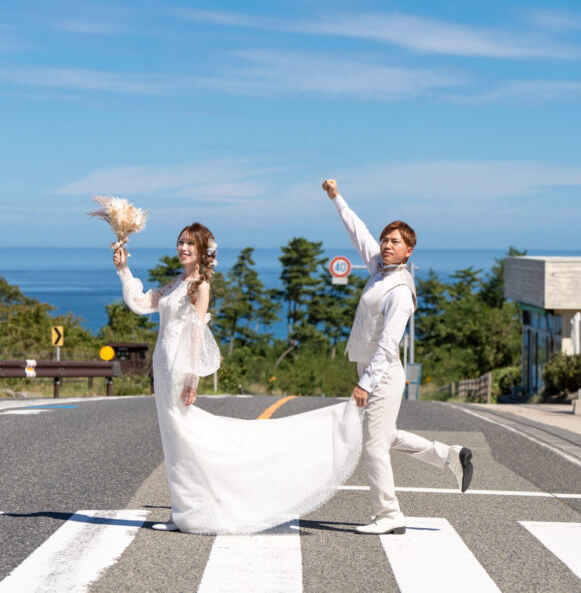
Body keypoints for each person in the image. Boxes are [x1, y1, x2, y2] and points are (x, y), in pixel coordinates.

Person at [114, 222, 362, 534]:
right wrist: (124, 269)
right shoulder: (177, 282)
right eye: (180, 242)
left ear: (202, 251)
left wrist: (192, 380)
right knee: (174, 439)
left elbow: (196, 335)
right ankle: (183, 511)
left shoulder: (200, 286)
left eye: (190, 244)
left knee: (183, 438)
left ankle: (188, 511)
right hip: (162, 366)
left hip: (178, 368)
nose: (183, 248)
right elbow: (141, 304)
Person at [322, 179, 474, 535]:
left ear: (409, 252)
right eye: (385, 240)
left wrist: (365, 383)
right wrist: (336, 198)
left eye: (395, 242)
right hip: (373, 369)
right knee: (385, 435)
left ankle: (390, 514)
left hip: (384, 373)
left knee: (374, 445)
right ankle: (449, 456)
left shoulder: (400, 291)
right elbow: (357, 231)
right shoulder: (378, 267)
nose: (387, 245)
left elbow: (389, 344)